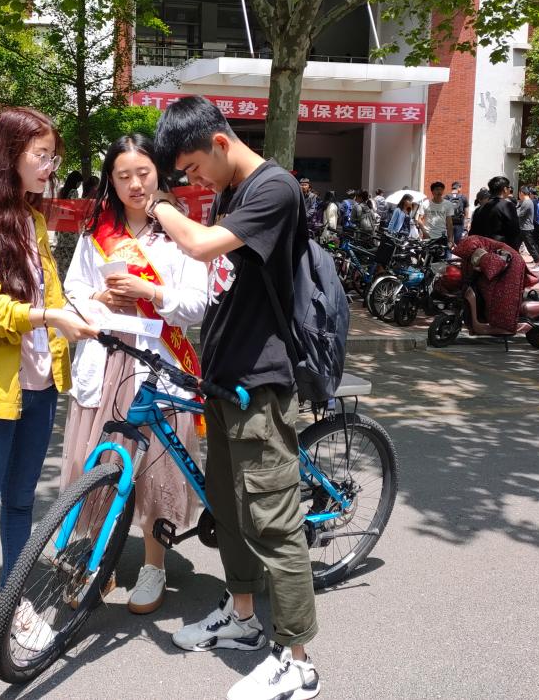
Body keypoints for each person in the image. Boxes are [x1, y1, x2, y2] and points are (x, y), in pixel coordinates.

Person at [149, 95, 321, 700]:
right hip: (224, 382)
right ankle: (243, 620)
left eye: (194, 168)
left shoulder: (275, 189)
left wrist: (158, 203)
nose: (194, 181)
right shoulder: (231, 193)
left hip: (261, 384)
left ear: (220, 143)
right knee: (228, 510)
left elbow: (200, 247)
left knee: (274, 521)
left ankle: (298, 663)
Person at [0, 107, 98, 667]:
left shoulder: (32, 221)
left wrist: (81, 310)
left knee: (22, 500)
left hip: (39, 383)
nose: (51, 167)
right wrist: (52, 318)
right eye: (42, 155)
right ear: (11, 155)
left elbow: (48, 293)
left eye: (53, 156)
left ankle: (11, 601)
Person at [60, 134, 208, 615]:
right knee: (98, 465)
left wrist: (150, 292)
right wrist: (100, 297)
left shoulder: (182, 231)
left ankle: (154, 565)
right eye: (122, 176)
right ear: (111, 180)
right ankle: (96, 560)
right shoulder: (96, 231)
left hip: (159, 363)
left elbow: (196, 305)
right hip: (107, 359)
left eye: (142, 173)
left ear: (159, 172)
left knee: (158, 471)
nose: (134, 184)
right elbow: (73, 291)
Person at [469, 175, 521, 249]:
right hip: (500, 250)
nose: (510, 189)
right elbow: (514, 231)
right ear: (505, 189)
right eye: (509, 187)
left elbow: (473, 232)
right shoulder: (508, 206)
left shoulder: (479, 209)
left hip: (482, 250)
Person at [417, 181, 454, 249]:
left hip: (442, 236)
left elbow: (449, 223)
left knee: (442, 255)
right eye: (437, 189)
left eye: (441, 189)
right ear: (432, 191)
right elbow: (419, 220)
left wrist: (450, 238)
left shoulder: (448, 204)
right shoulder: (425, 204)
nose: (439, 192)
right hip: (428, 236)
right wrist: (424, 232)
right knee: (427, 255)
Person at [517, 187, 539, 270]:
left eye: (519, 193)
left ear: (521, 193)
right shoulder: (527, 201)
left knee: (530, 247)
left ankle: (538, 264)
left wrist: (514, 209)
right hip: (523, 228)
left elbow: (519, 214)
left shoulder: (527, 202)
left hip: (526, 228)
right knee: (516, 245)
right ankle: (515, 262)